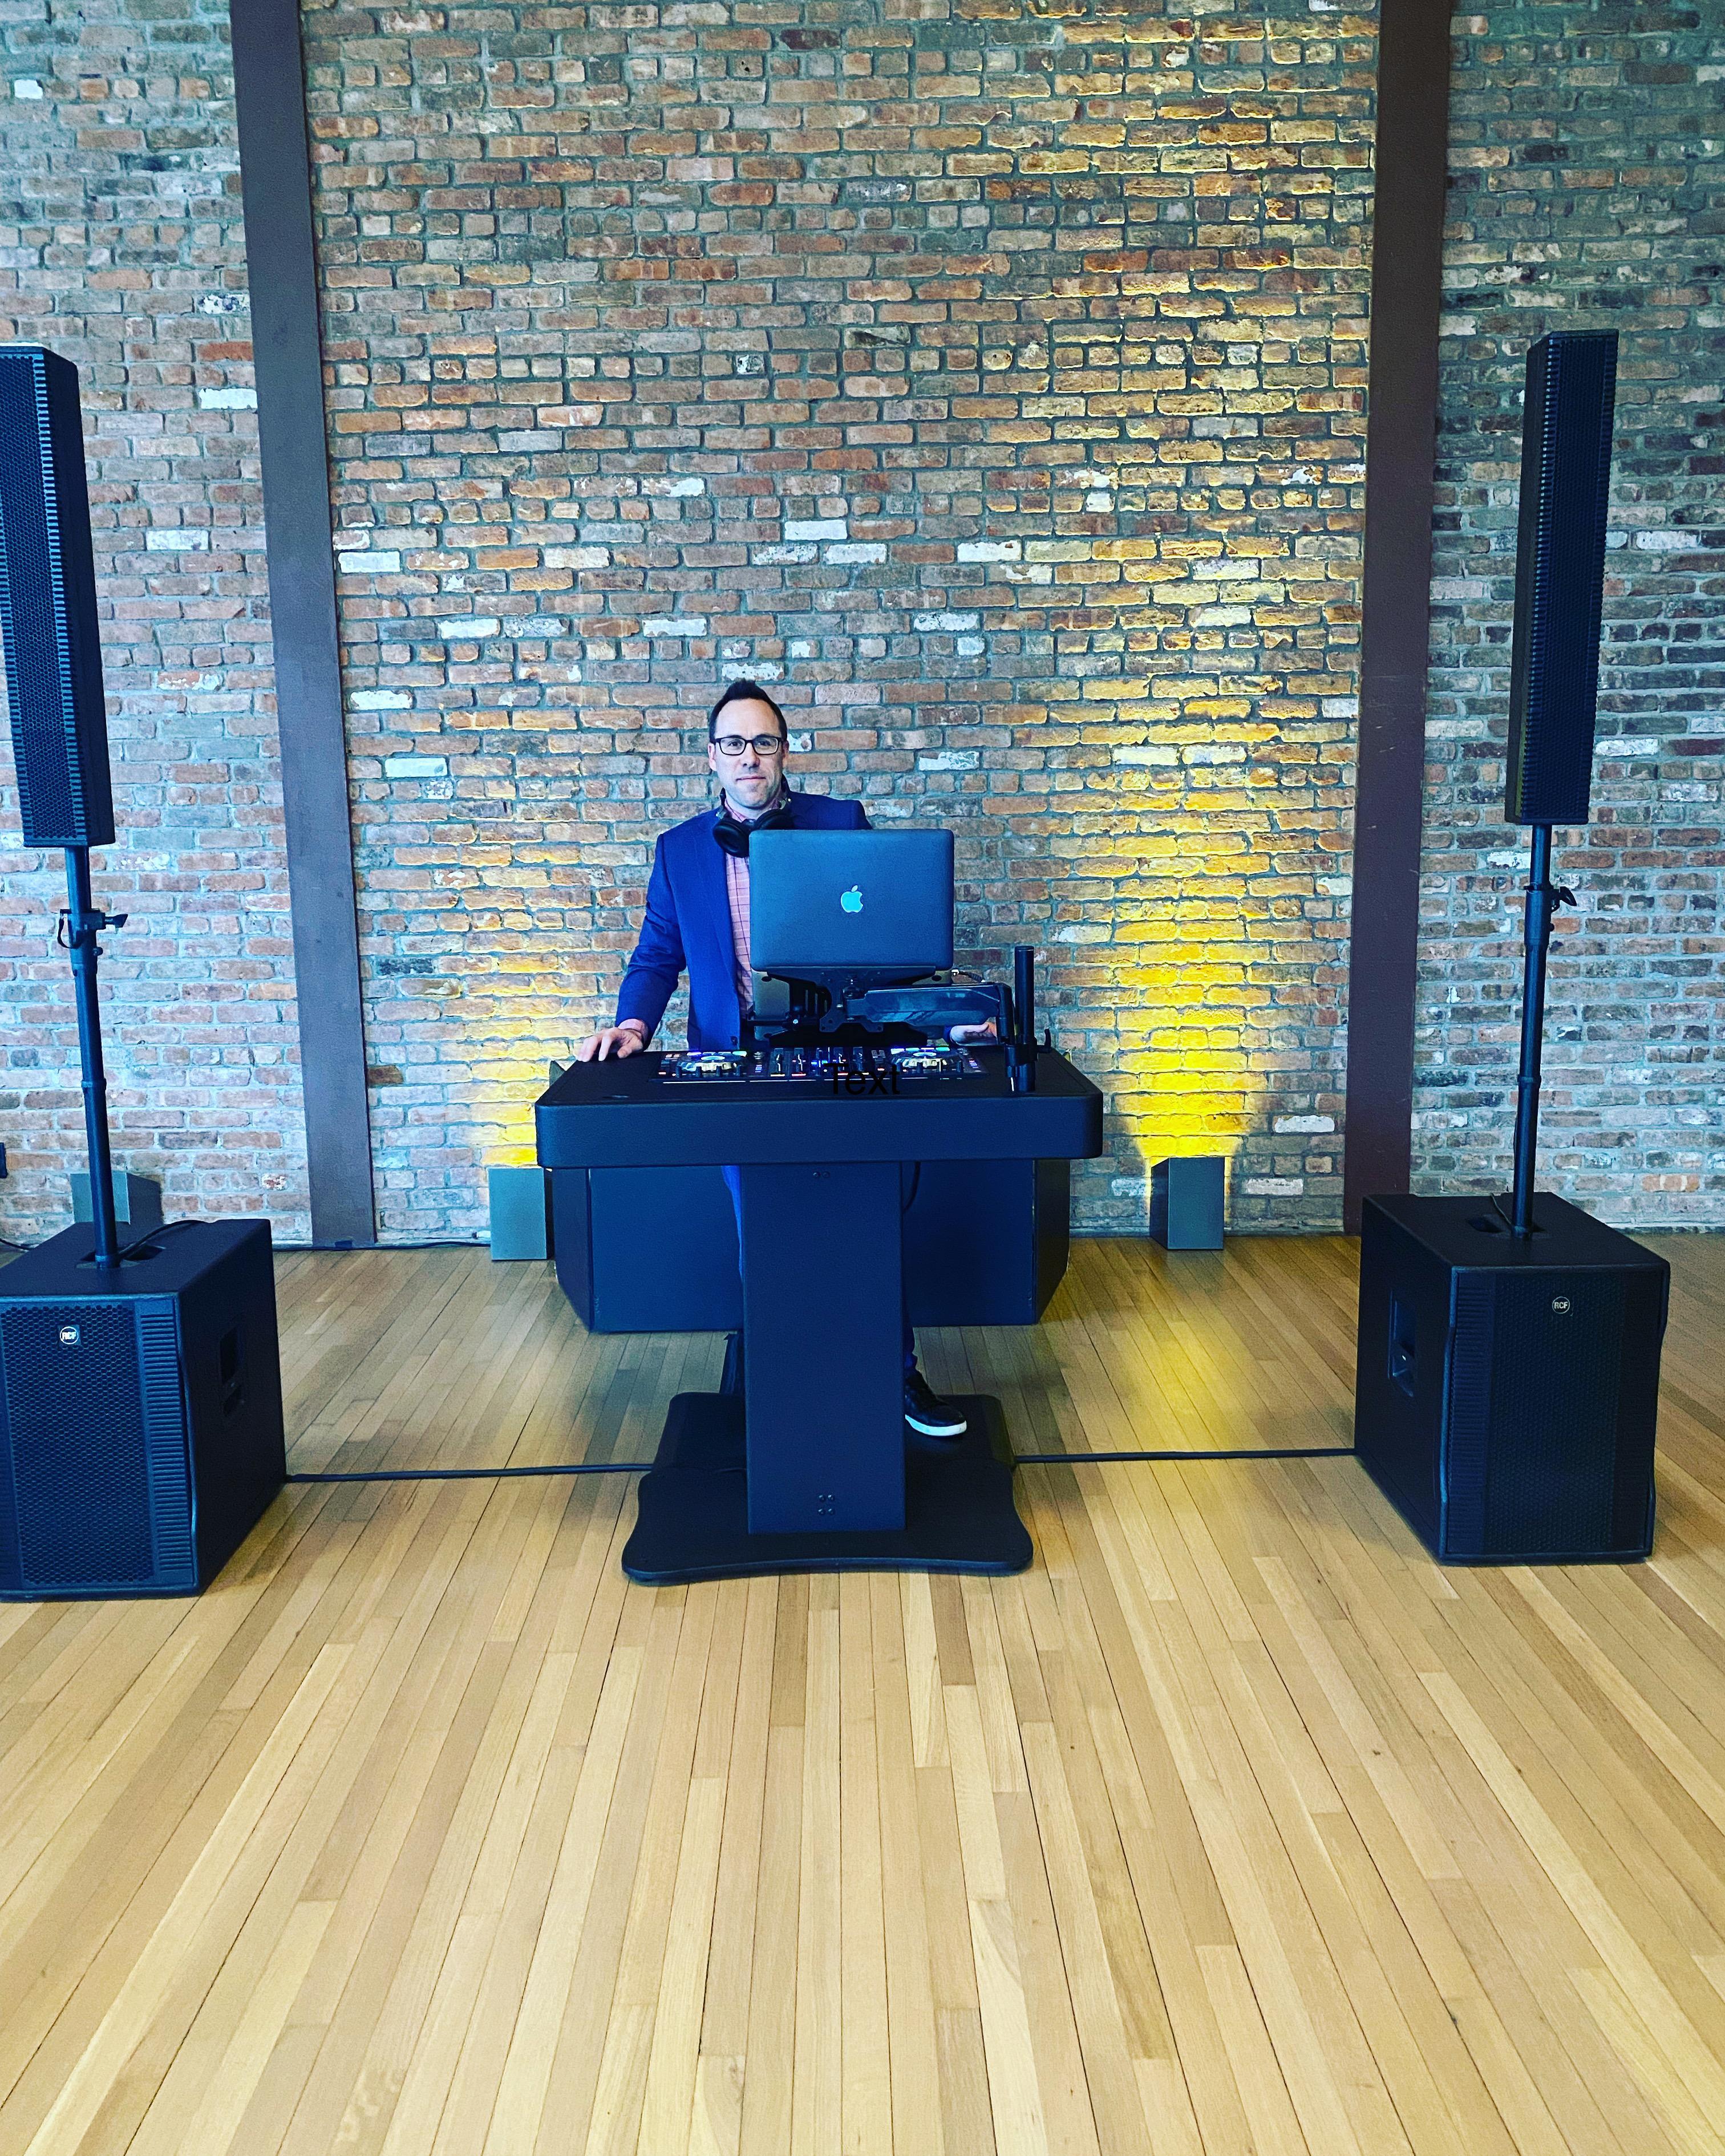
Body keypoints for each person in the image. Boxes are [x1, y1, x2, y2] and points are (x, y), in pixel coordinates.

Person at [575, 679, 970, 1443]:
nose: (749, 757)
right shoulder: (679, 850)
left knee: (866, 1224)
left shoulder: (840, 823)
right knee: (761, 1228)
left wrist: (921, 1008)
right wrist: (631, 1023)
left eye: (763, 742)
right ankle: (785, 1382)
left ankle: (895, 1374)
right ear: (712, 757)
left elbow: (888, 932)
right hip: (736, 1065)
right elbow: (657, 955)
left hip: (840, 1056)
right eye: (734, 743)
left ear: (784, 751)